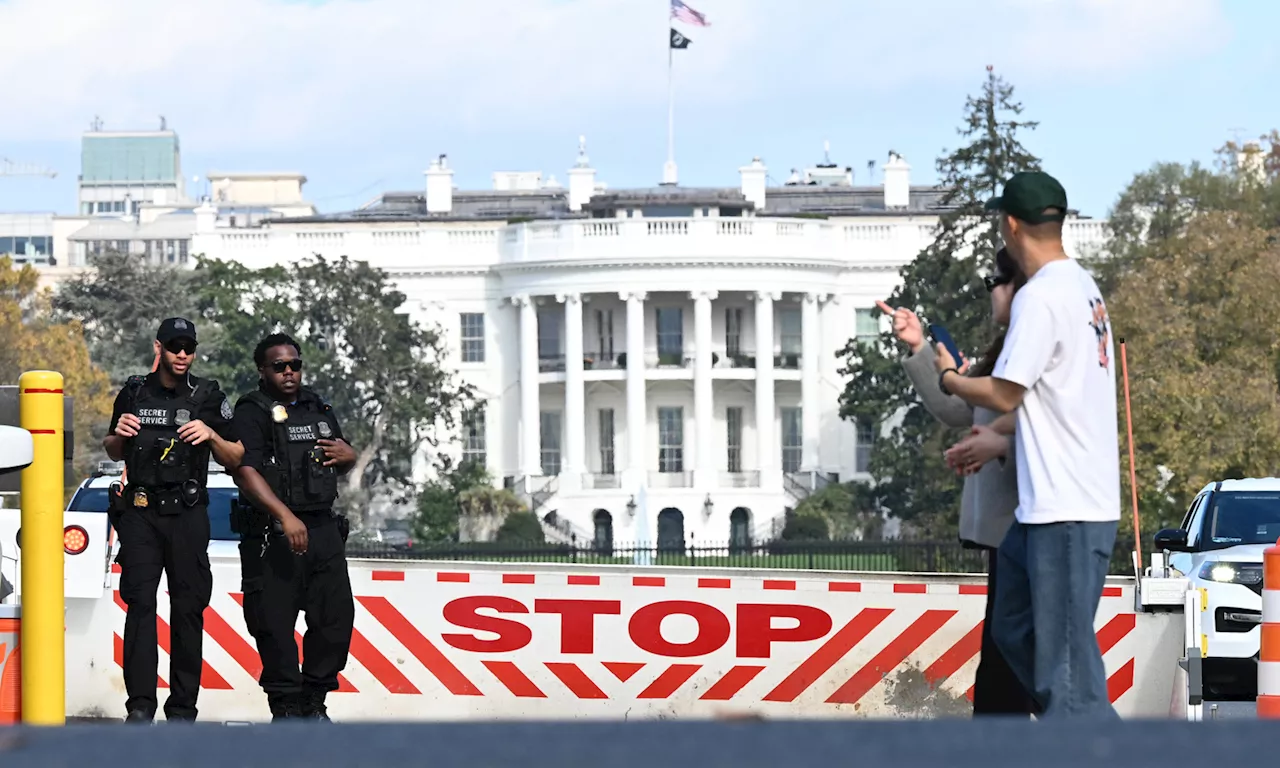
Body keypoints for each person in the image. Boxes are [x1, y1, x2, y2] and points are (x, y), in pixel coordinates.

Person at [931, 171, 1121, 718]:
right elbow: (1057, 397)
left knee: (1060, 667)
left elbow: (1005, 391)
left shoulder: (1041, 297)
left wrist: (950, 378)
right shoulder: (1083, 286)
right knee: (1015, 628)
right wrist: (999, 436)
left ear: (1010, 225)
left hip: (1066, 506)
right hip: (1050, 507)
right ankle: (1082, 714)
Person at [877, 247, 1032, 717]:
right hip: (1004, 531)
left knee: (1018, 663)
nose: (989, 294)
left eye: (993, 283)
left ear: (1017, 287)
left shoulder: (1027, 345)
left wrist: (997, 440)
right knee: (1004, 663)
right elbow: (957, 409)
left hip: (1028, 523)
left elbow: (1034, 416)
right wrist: (920, 350)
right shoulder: (1007, 346)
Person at [103, 317, 242, 723]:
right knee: (140, 606)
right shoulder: (133, 391)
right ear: (158, 347)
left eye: (189, 347)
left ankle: (182, 711)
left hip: (187, 514)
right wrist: (120, 434)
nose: (183, 353)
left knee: (187, 611)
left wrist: (212, 436)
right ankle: (140, 708)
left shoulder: (209, 395)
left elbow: (237, 456)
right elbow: (112, 449)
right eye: (175, 345)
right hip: (141, 514)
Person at [231, 332, 357, 722]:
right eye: (279, 366)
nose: (289, 372)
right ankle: (285, 709)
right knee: (274, 626)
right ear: (262, 370)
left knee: (335, 620)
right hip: (274, 534)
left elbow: (340, 456)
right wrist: (285, 516)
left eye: (295, 365)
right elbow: (245, 472)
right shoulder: (251, 410)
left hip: (322, 529)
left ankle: (314, 704)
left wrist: (349, 455)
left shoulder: (316, 406)